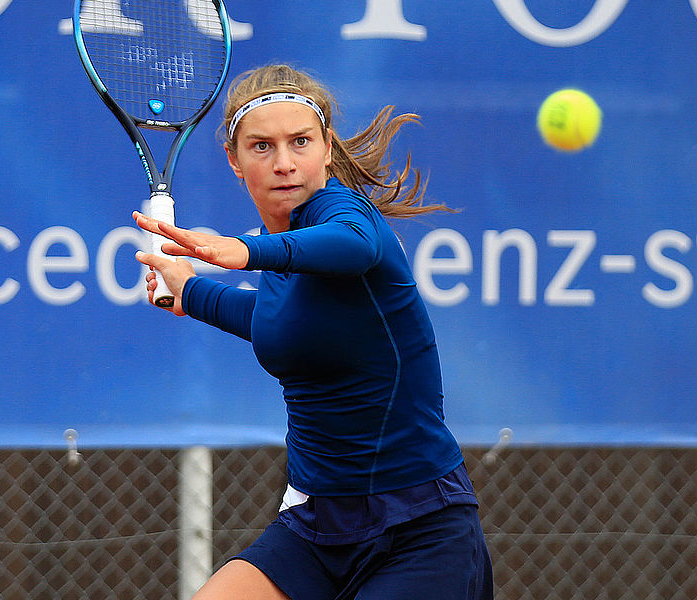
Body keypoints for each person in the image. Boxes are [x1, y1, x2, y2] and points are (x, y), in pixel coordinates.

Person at [133, 64, 493, 600]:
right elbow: (278, 323)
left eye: (300, 142)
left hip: (419, 527)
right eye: (262, 147)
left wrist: (244, 250)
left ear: (326, 148)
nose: (284, 163)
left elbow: (354, 245)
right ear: (234, 160)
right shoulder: (284, 250)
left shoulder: (344, 216)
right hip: (314, 525)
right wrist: (192, 291)